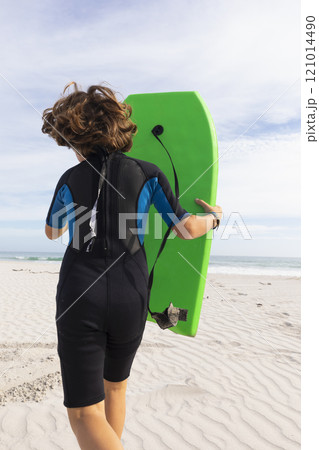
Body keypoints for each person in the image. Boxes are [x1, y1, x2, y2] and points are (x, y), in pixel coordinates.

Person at [43, 82, 222, 450]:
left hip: (81, 294)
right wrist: (216, 219)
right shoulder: (149, 171)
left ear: (78, 141)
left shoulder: (70, 178)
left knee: (83, 413)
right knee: (116, 388)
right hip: (132, 294)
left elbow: (51, 231)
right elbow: (186, 229)